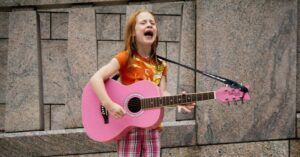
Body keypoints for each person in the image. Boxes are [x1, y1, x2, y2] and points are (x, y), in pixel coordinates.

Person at [90, 8, 195, 157]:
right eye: (143, 22)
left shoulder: (160, 65)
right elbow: (96, 79)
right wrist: (109, 105)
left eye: (152, 23)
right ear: (133, 32)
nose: (149, 25)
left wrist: (178, 101)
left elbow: (161, 93)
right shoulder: (125, 57)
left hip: (152, 128)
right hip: (128, 126)